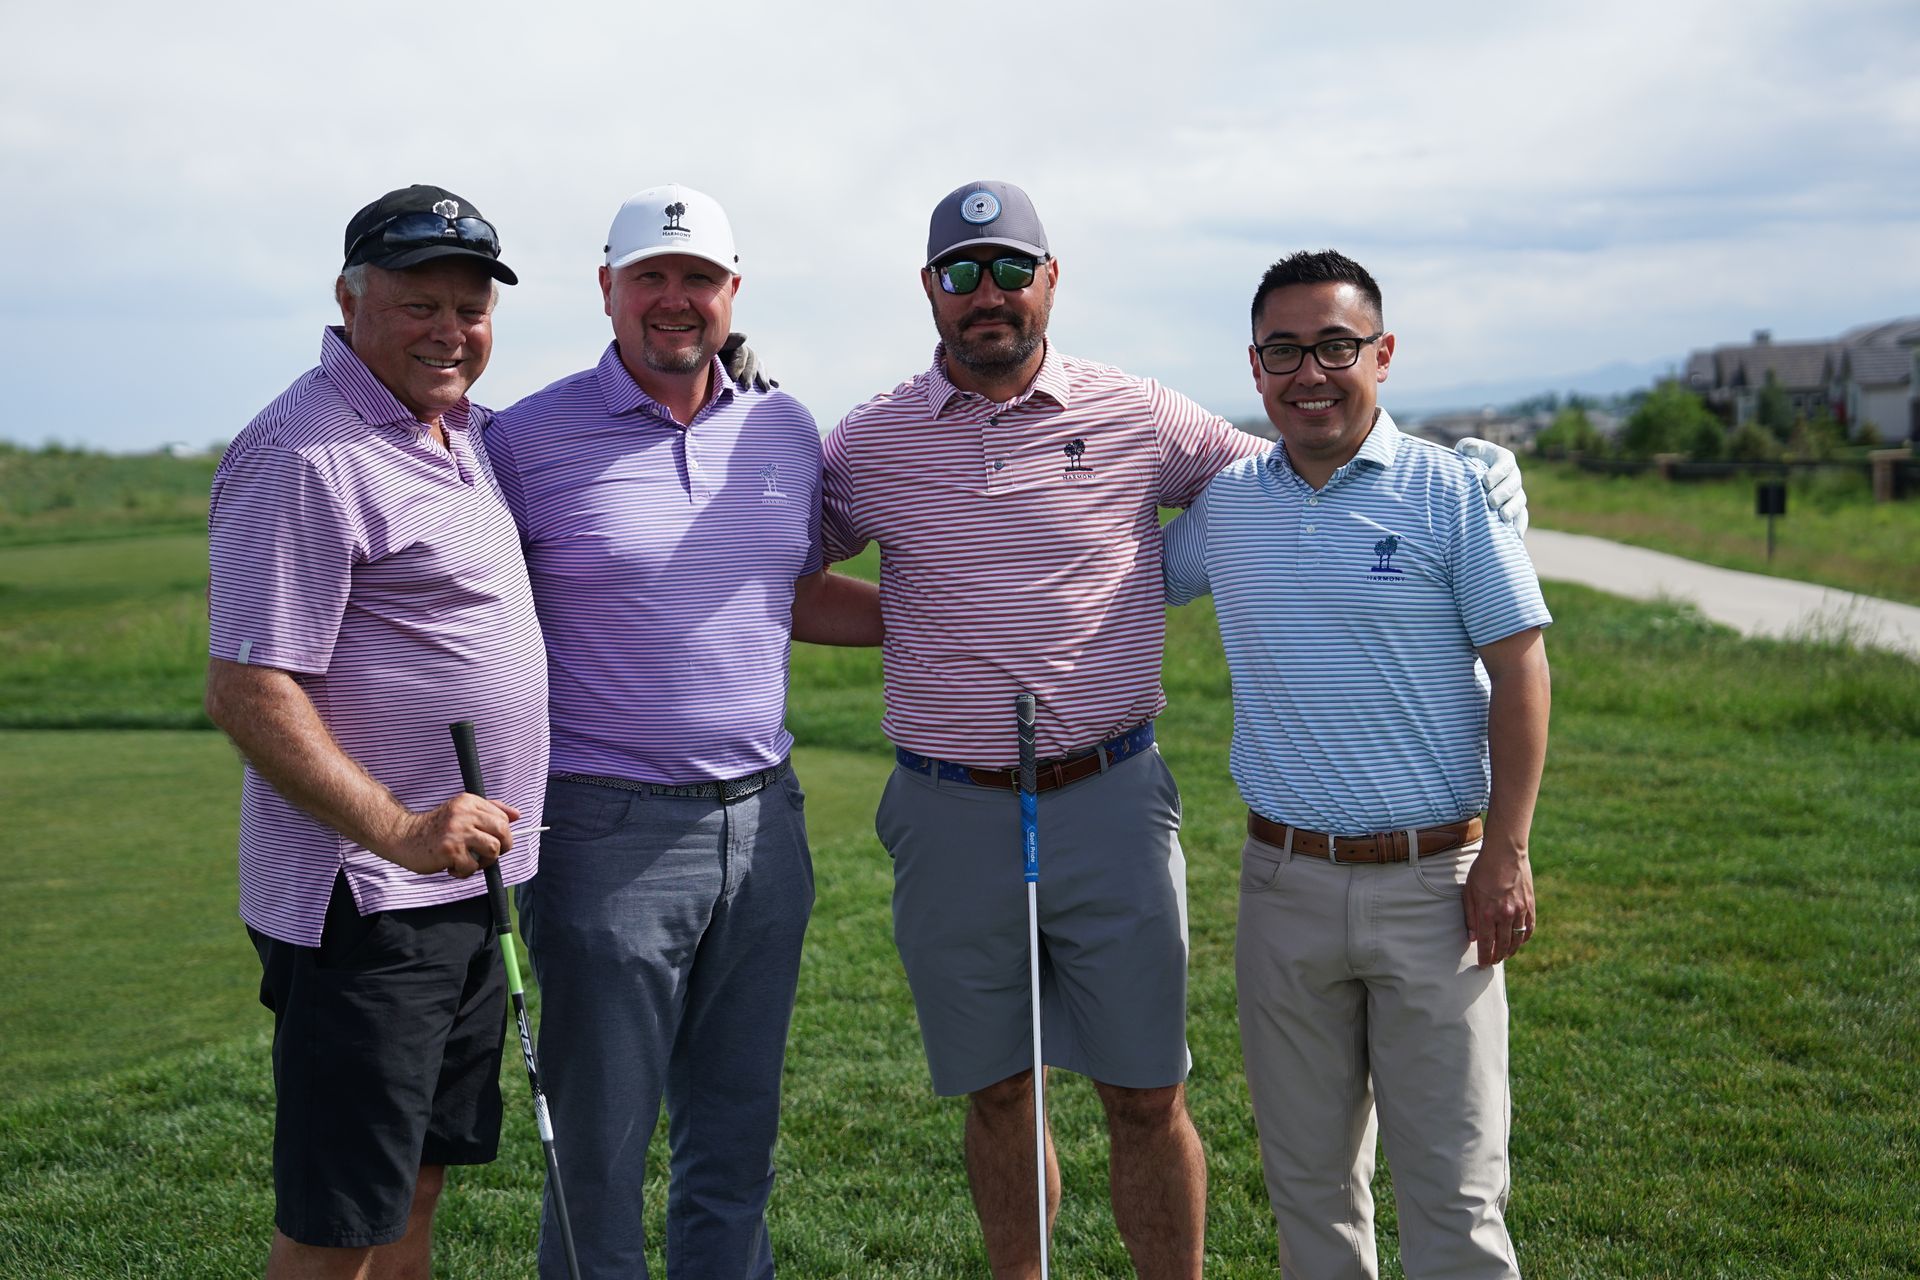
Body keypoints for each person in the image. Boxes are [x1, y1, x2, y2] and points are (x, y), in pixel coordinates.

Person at [820, 182, 1529, 1280]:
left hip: (1110, 796)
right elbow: (776, 568)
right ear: (930, 288)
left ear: (1051, 279)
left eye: (1011, 269)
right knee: (999, 1089)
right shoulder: (870, 441)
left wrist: (1458, 477)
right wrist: (919, 616)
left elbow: (1297, 464)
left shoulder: (1137, 413)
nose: (987, 293)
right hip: (948, 802)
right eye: (962, 272)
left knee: (1147, 1092)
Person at [486, 182, 881, 1280]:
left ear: (732, 291)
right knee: (599, 1156)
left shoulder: (782, 426)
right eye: (649, 276)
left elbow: (791, 588)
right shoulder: (526, 439)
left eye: (698, 277)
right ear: (606, 288)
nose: (675, 298)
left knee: (736, 1142)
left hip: (765, 825)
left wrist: (942, 615)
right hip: (602, 830)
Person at [1163, 249, 1552, 1279]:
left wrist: (1507, 853)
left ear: (1382, 353)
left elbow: (1521, 668)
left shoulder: (1451, 491)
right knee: (1310, 1191)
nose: (1312, 373)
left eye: (1337, 346)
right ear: (1256, 368)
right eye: (1285, 351)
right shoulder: (1230, 506)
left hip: (1438, 888)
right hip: (1284, 885)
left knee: (1456, 1195)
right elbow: (1115, 576)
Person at [204, 184, 549, 1280]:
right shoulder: (306, 452)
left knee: (415, 1181)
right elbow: (248, 688)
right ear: (350, 300)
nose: (451, 331)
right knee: (340, 1217)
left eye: (471, 309)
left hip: (463, 885)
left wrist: (717, 375)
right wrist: (399, 829)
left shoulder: (461, 430)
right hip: (367, 900)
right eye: (420, 305)